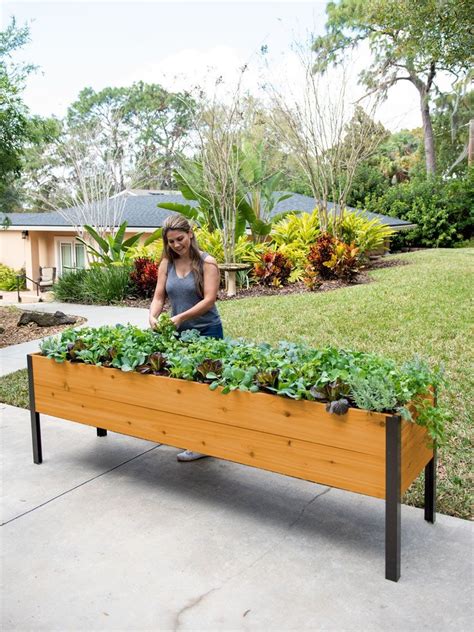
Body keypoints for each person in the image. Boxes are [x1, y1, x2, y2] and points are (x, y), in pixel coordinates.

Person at [148, 213, 223, 462]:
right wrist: (153, 316)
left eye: (180, 239)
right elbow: (159, 297)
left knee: (203, 390)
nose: (176, 245)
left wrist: (180, 317)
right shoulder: (166, 264)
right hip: (178, 334)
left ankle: (203, 443)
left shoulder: (207, 263)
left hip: (206, 331)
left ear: (190, 234)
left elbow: (209, 300)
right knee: (181, 387)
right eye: (171, 242)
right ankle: (192, 438)